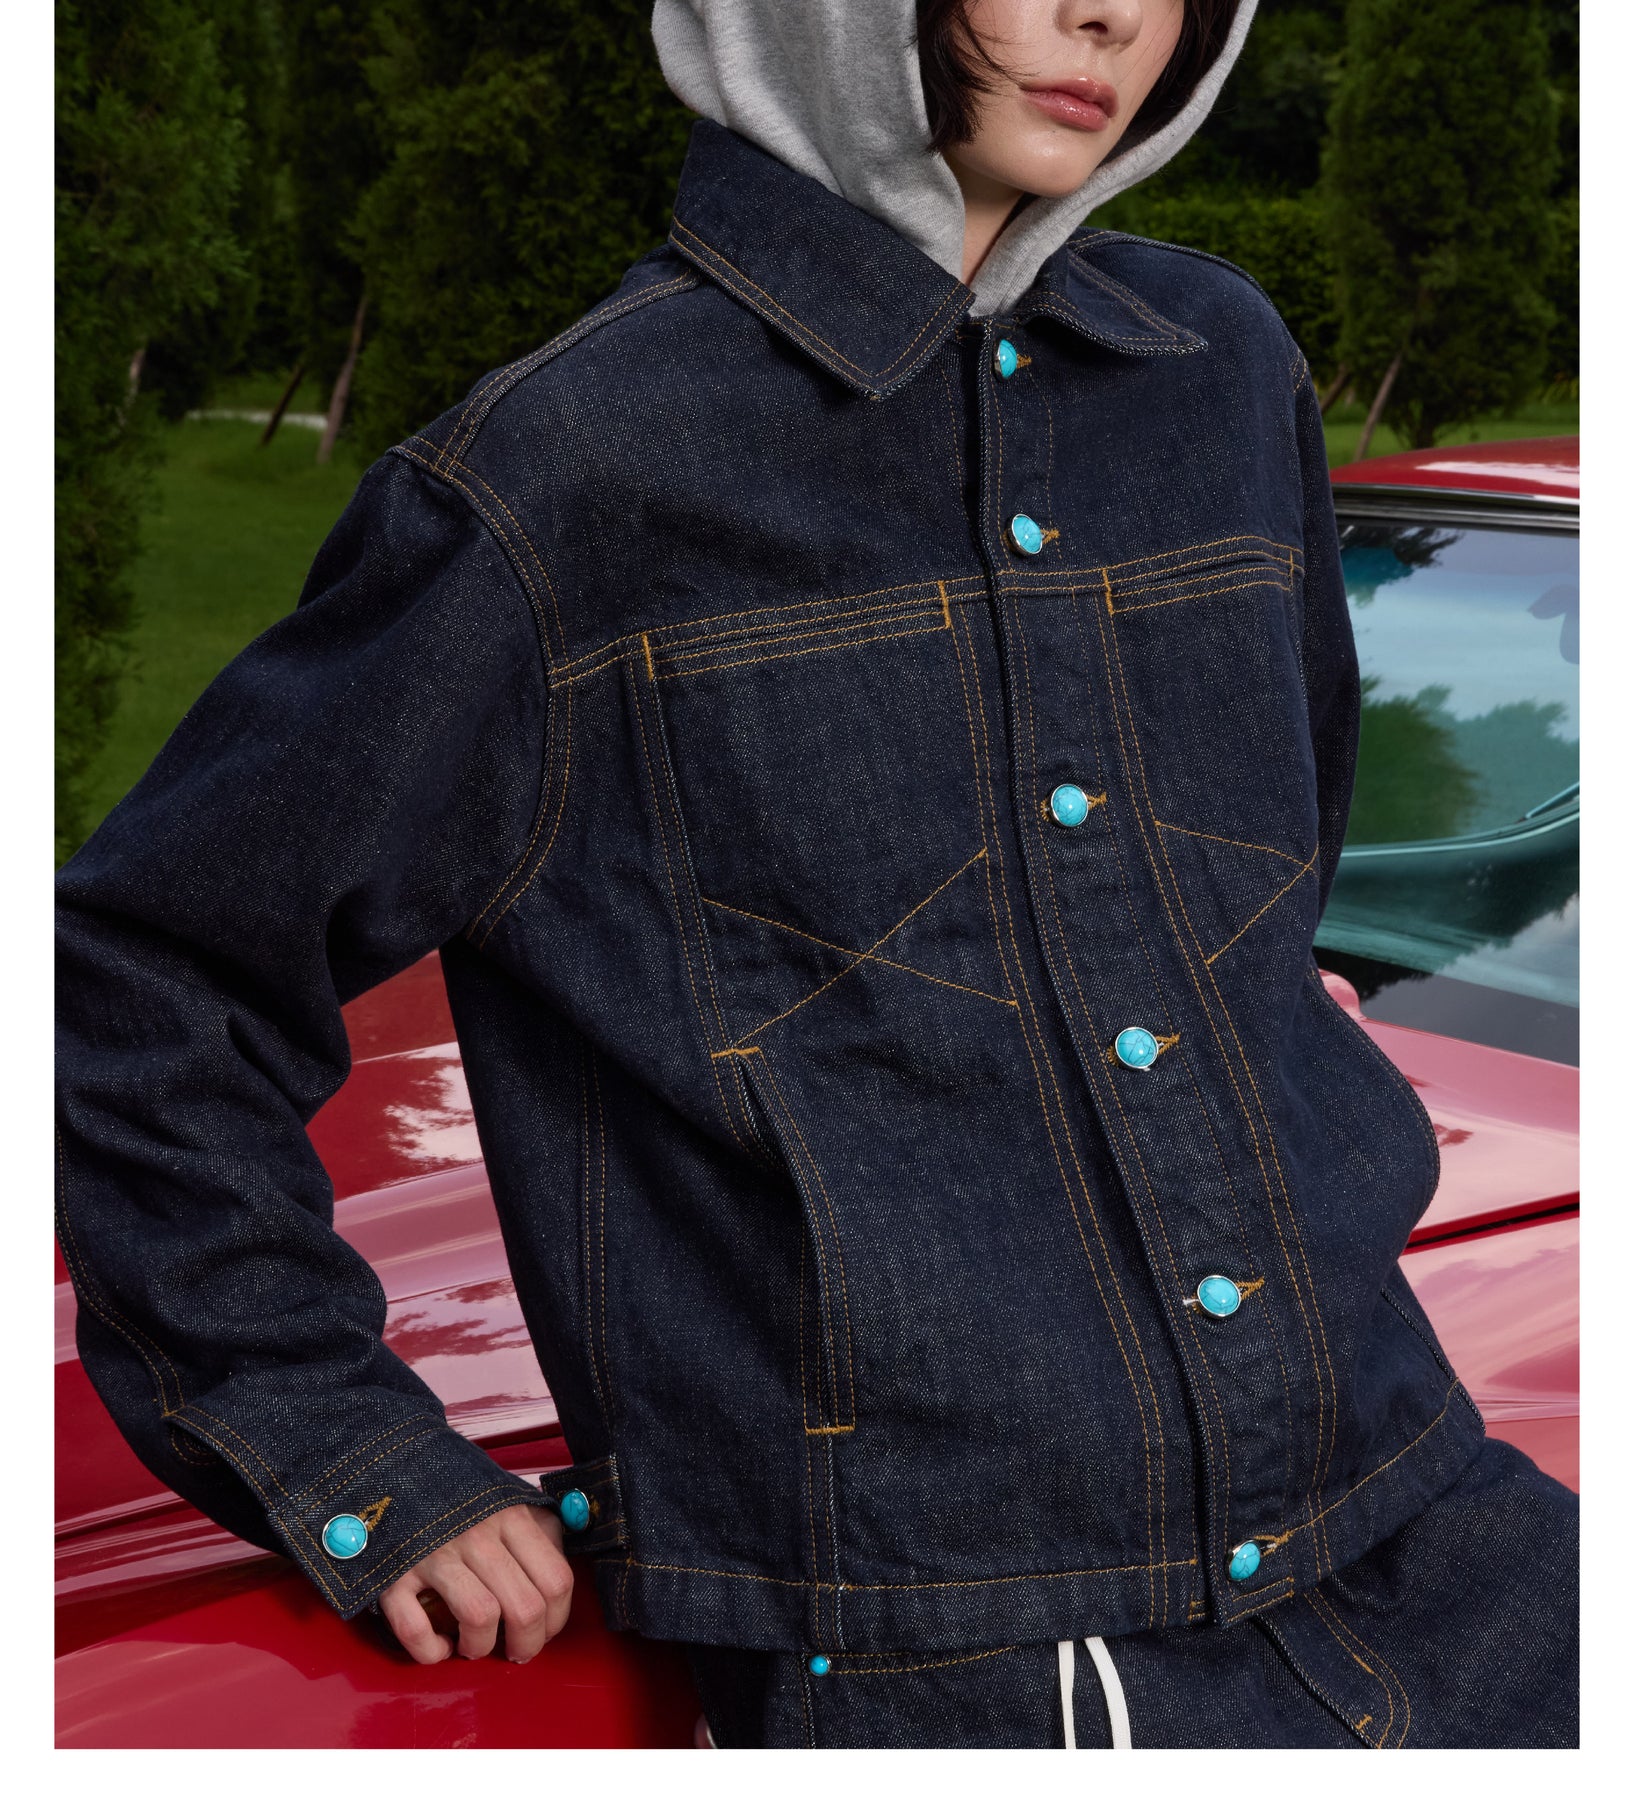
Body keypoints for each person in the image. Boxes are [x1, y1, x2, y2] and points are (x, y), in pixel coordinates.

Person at [56, 0, 1577, 1749]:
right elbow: (146, 971)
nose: (1108, 14)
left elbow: (1266, 857)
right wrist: (343, 1450)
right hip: (964, 1652)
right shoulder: (568, 471)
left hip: (1425, 1504)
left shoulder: (1219, 369)